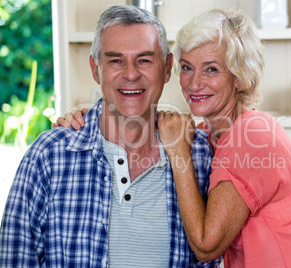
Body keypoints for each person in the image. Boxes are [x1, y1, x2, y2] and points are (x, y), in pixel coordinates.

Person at [53, 7, 291, 268]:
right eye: (187, 68)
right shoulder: (222, 135)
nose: (194, 83)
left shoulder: (251, 134)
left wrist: (177, 151)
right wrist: (94, 117)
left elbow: (205, 245)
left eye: (211, 69)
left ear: (239, 75)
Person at [0, 5, 222, 267]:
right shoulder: (49, 156)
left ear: (166, 68)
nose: (130, 74)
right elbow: (15, 258)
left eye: (145, 60)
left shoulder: (198, 155)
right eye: (115, 60)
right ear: (96, 69)